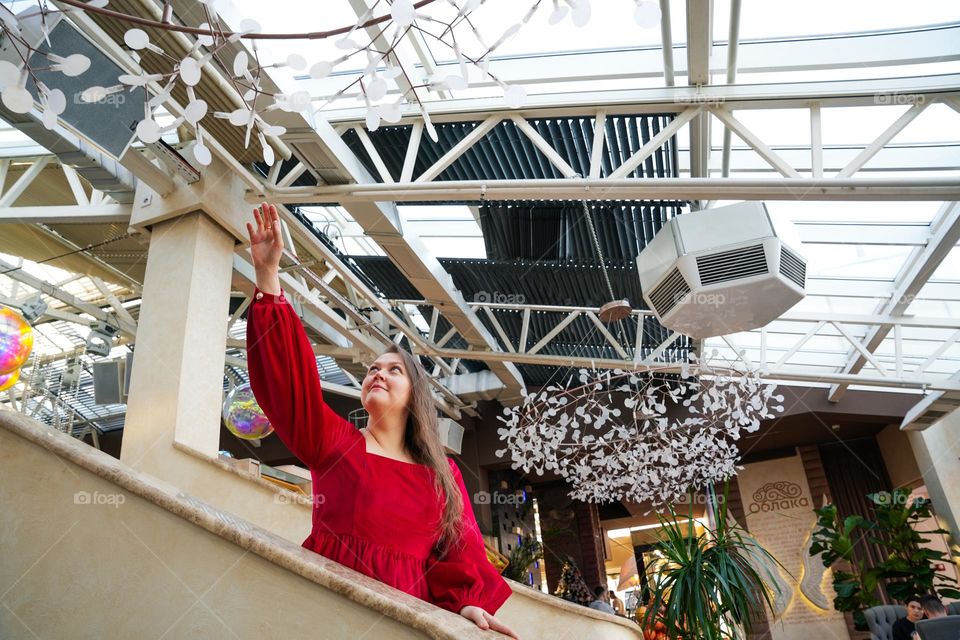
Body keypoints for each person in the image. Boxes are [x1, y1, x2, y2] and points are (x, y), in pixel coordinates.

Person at [245, 203, 518, 638]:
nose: (378, 372)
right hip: (325, 613)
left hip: (405, 623)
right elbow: (289, 386)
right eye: (373, 367)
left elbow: (459, 551)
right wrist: (268, 276)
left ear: (415, 396)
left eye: (394, 370)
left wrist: (466, 607)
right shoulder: (337, 445)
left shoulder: (442, 475)